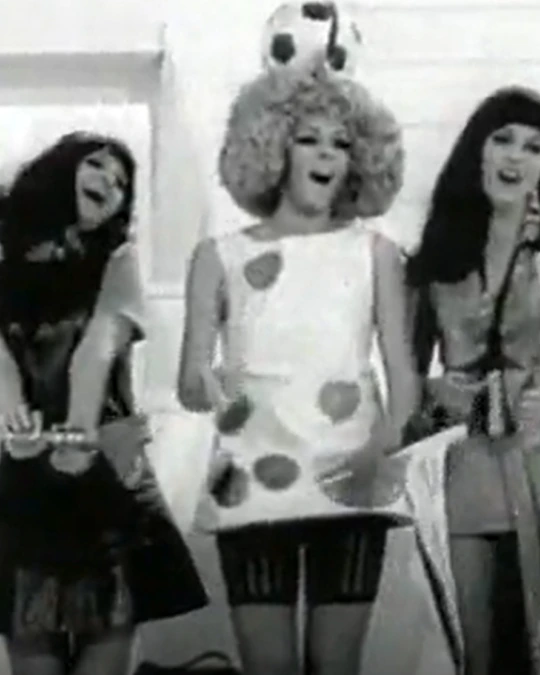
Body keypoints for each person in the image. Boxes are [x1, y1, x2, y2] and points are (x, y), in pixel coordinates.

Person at [176, 61, 419, 675]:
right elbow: (190, 384)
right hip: (253, 477)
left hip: (350, 475)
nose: (326, 154)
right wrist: (214, 386)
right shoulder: (218, 257)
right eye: (309, 139)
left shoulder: (377, 254)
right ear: (273, 149)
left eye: (341, 143)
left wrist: (381, 453)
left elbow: (404, 383)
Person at [0, 131, 208, 675]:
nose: (109, 183)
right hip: (28, 479)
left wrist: (78, 435)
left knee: (106, 650)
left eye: (121, 183)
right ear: (60, 169)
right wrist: (14, 426)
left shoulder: (117, 262)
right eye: (96, 166)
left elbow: (98, 348)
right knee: (33, 648)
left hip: (107, 472)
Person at [403, 86, 540, 675]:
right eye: (503, 139)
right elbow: (409, 379)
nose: (516, 156)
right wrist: (437, 394)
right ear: (474, 150)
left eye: (535, 147)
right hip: (468, 471)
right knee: (476, 658)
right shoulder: (437, 255)